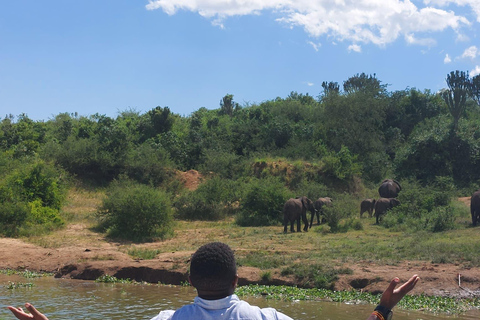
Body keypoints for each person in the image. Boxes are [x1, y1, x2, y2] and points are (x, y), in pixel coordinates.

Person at [8, 242, 420, 320]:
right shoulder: (269, 318)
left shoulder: (165, 319)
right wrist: (383, 308)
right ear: (238, 278)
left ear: (189, 280)